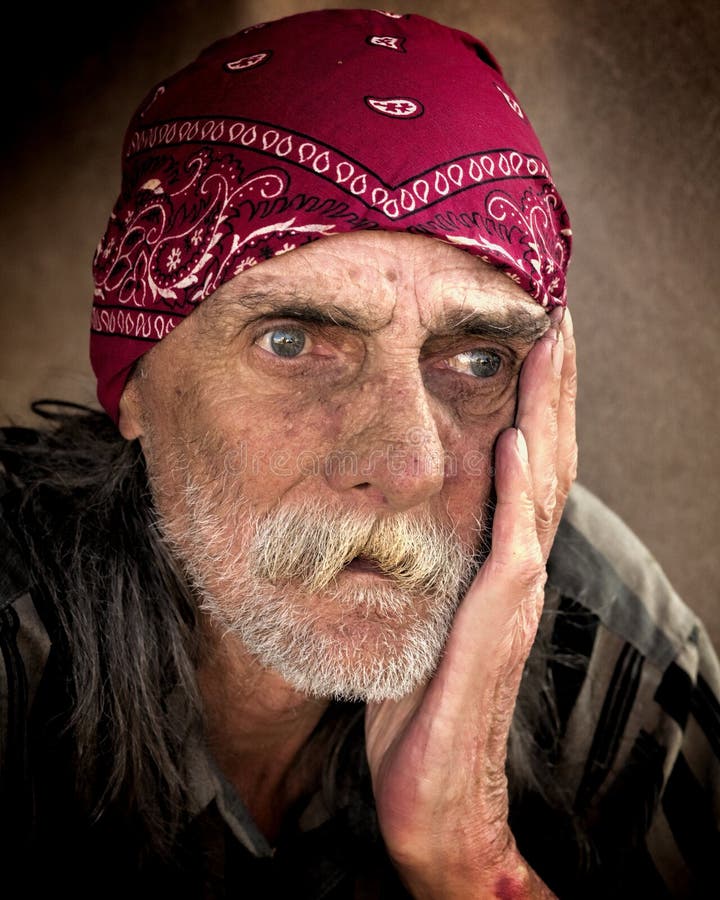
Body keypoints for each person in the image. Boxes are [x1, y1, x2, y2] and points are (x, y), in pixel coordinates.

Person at [0, 8, 717, 898]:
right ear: (139, 384)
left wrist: (469, 857)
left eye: (478, 361)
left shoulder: (611, 657)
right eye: (292, 343)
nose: (411, 466)